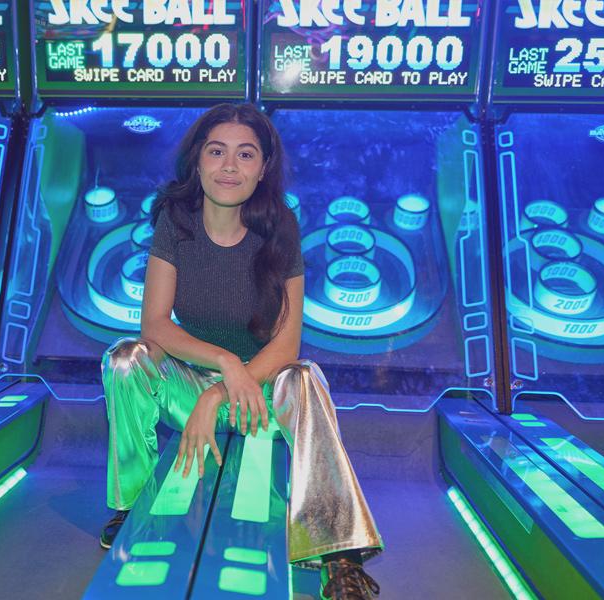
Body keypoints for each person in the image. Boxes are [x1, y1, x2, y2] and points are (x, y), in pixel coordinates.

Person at [100, 103, 383, 599]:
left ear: (263, 168)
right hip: (196, 388)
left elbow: (288, 342)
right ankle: (133, 505)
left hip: (259, 397)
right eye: (217, 151)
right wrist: (222, 367)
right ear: (198, 160)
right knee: (126, 358)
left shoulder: (281, 227)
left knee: (305, 375)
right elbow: (155, 325)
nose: (229, 166)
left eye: (245, 154)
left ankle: (339, 555)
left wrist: (225, 391)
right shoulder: (175, 220)